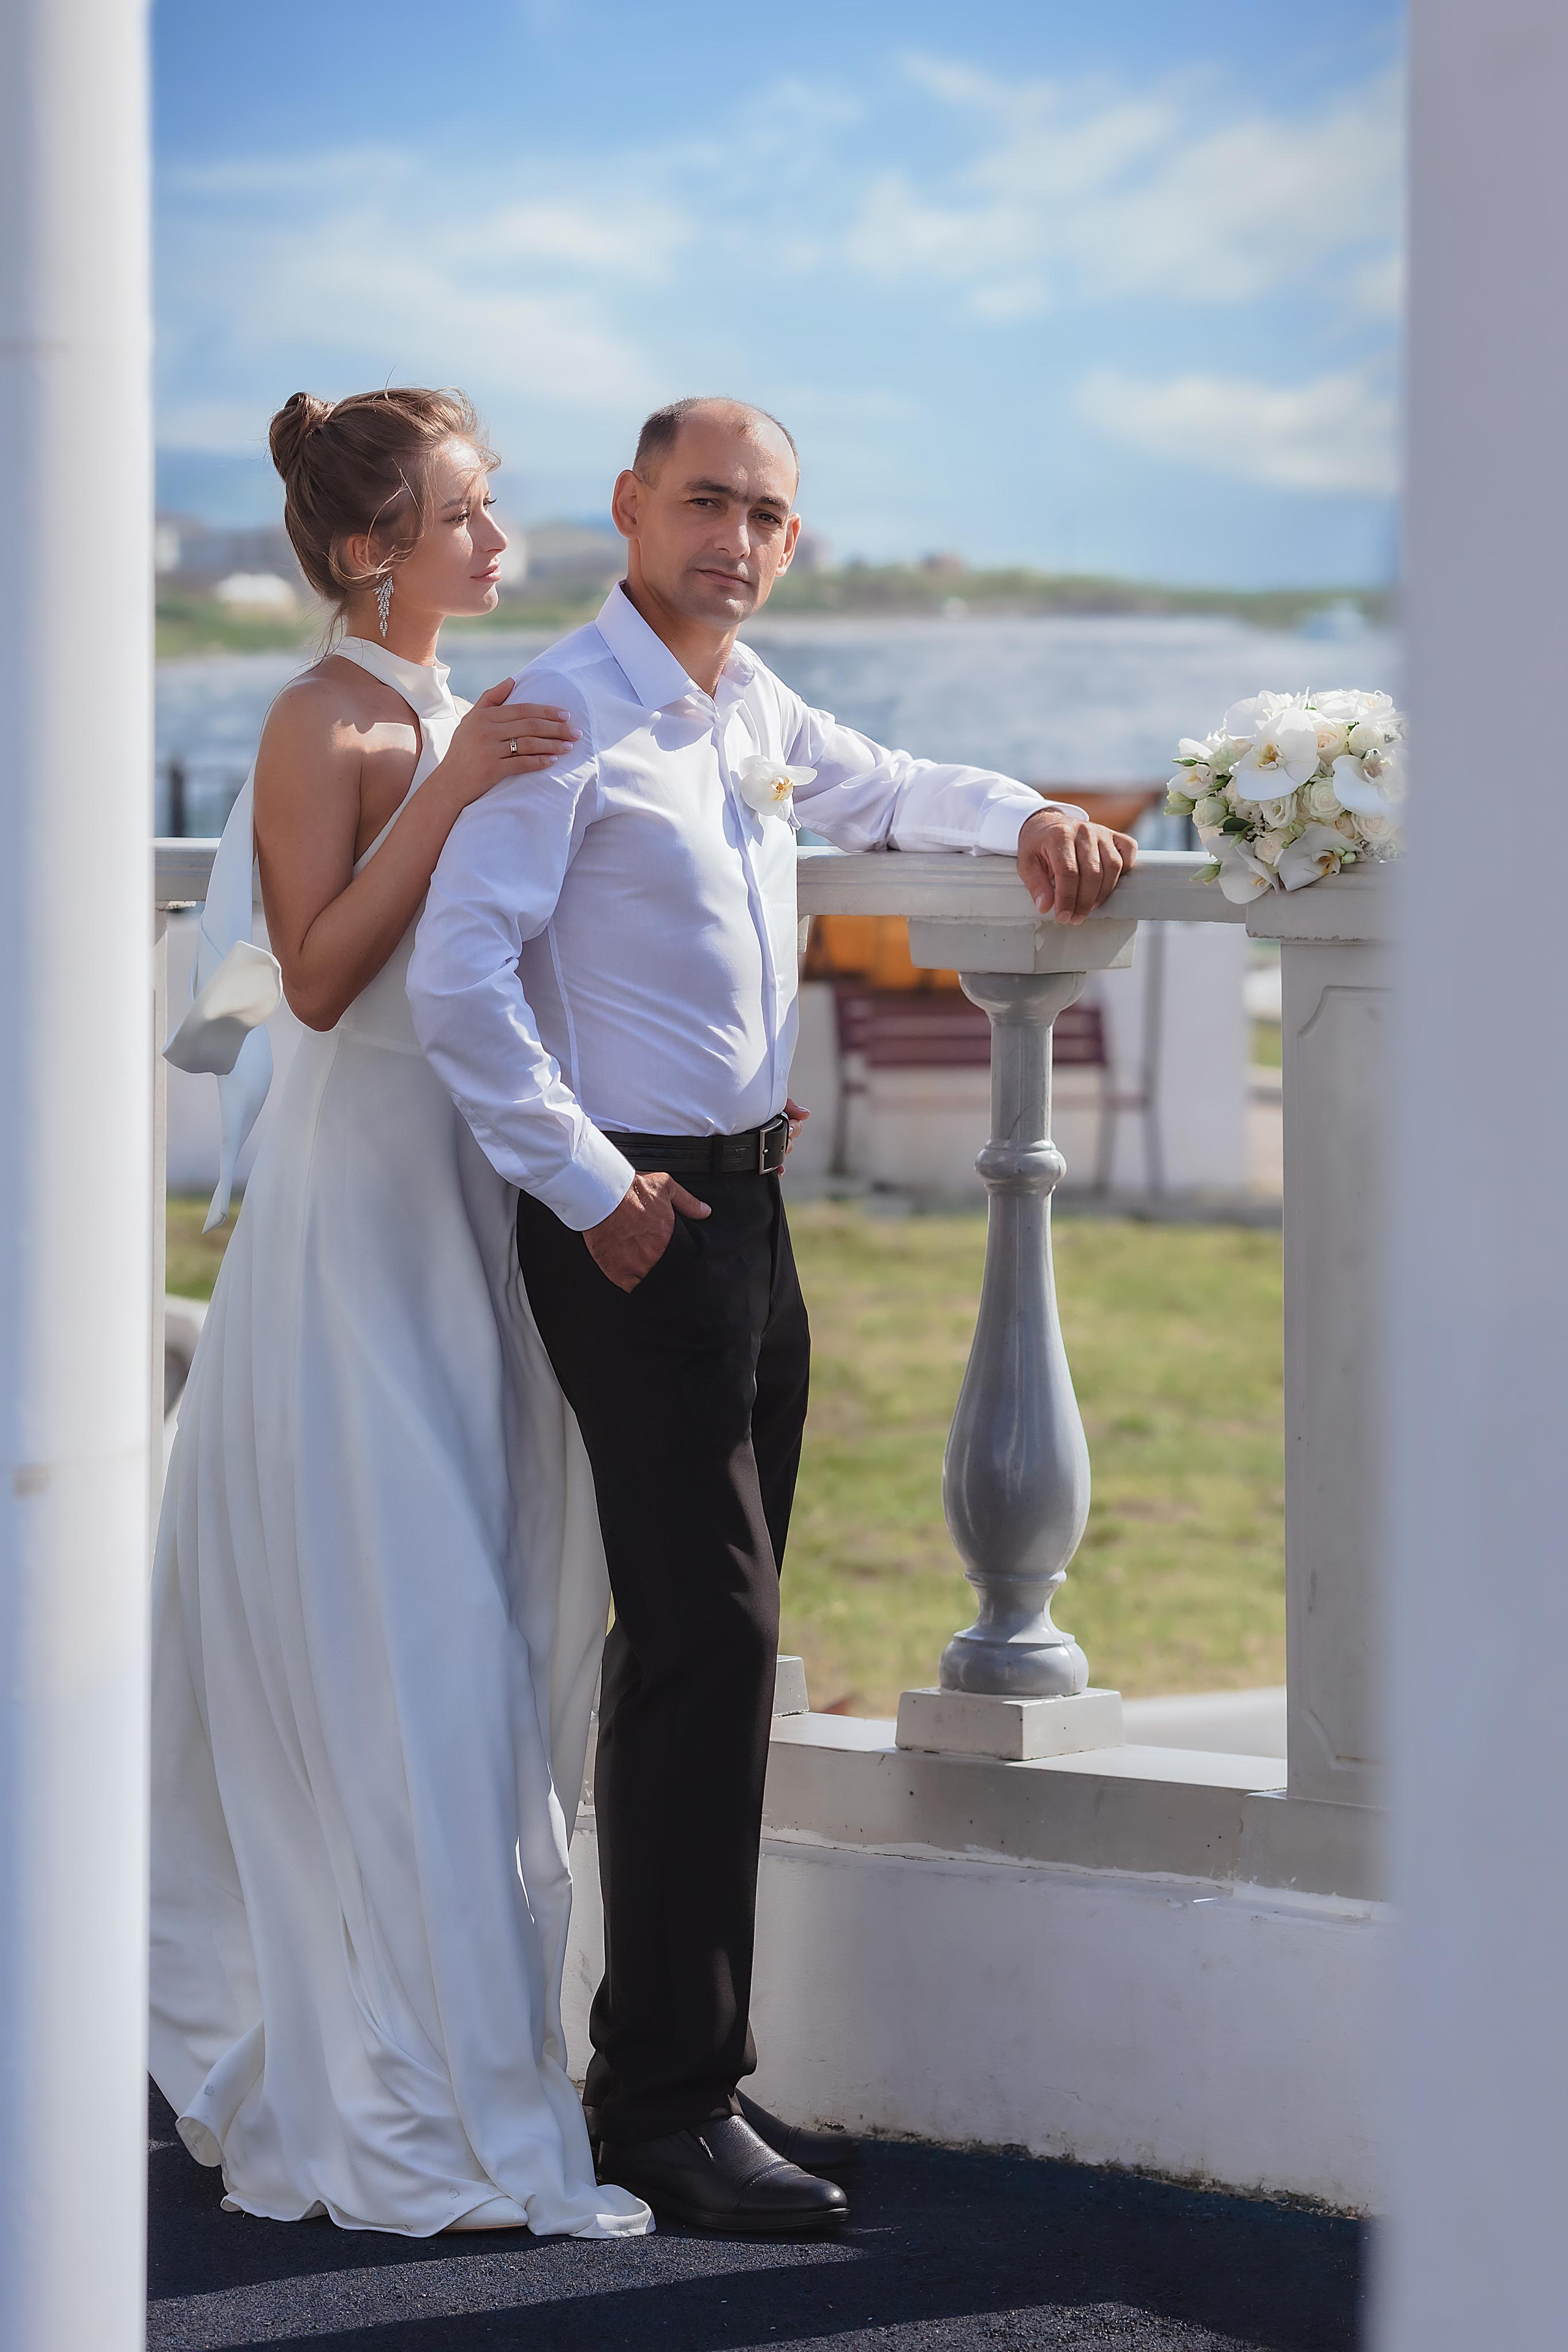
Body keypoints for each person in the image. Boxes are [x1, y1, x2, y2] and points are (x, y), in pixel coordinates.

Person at [407, 396, 1138, 2233]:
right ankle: (668, 2100)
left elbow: (889, 789)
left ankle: (653, 2068)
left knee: (698, 1641)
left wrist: (1035, 810)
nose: (736, 534)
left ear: (791, 546)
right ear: (634, 509)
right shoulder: (566, 708)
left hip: (747, 1199)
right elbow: (463, 972)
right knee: (712, 1635)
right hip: (631, 1216)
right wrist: (591, 1186)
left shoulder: (750, 707)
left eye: (768, 513)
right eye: (705, 501)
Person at [149, 385, 652, 2241]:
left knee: (505, 1599)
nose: (499, 550)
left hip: (474, 1200)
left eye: (492, 512)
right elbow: (319, 975)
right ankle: (408, 2062)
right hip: (359, 1213)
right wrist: (450, 789)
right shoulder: (321, 720)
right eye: (464, 520)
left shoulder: (456, 704)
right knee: (414, 1618)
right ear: (372, 550)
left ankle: (474, 2021)